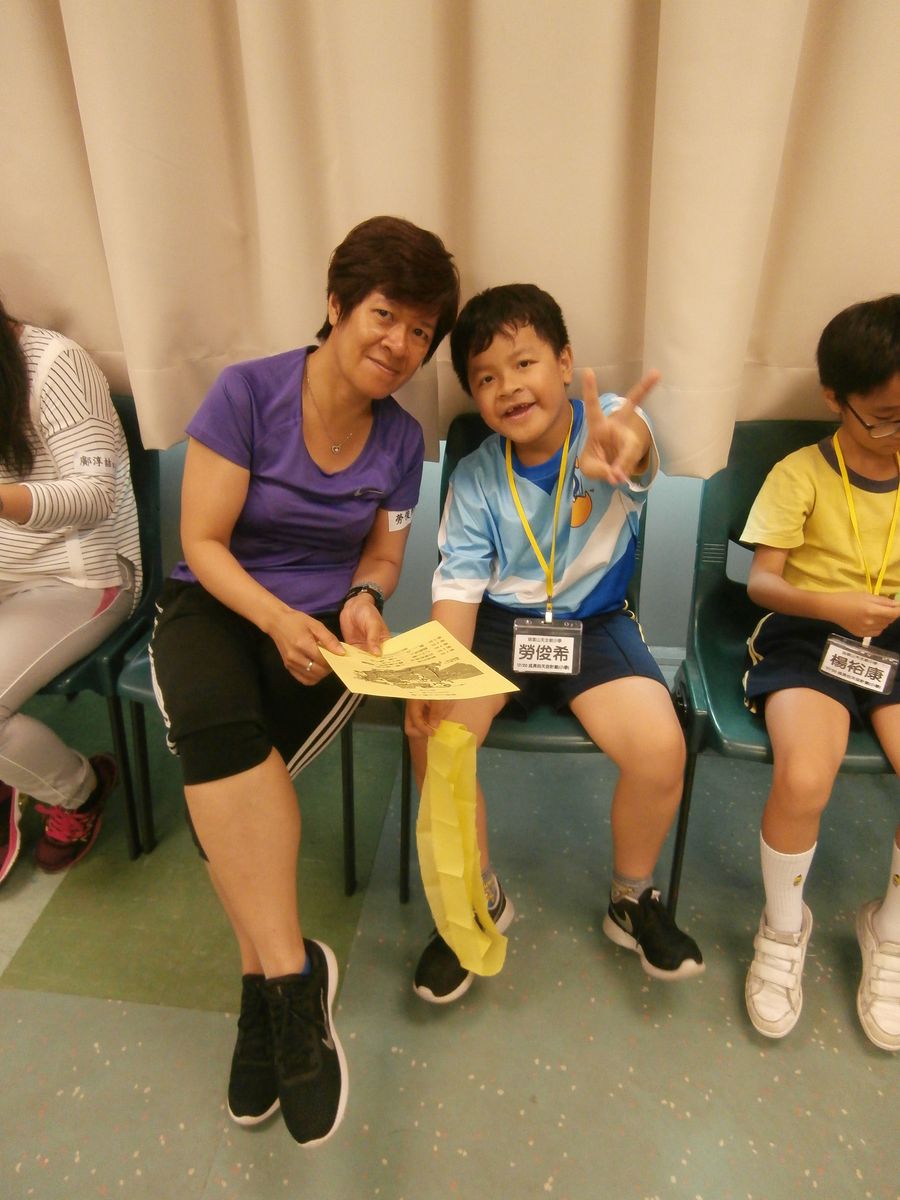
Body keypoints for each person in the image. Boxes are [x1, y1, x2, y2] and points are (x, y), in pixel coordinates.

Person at [150, 216, 459, 1145]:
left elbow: (384, 554)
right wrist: (276, 616)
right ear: (336, 304)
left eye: (420, 331)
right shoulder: (247, 392)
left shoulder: (401, 439)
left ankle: (260, 997)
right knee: (220, 743)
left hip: (327, 634)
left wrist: (364, 598)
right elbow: (203, 542)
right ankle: (291, 982)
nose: (400, 344)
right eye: (385, 314)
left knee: (229, 795)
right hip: (219, 605)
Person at [404, 283, 704, 1007]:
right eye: (485, 377)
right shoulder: (476, 477)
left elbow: (634, 450)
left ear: (565, 364)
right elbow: (458, 593)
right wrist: (438, 679)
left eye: (524, 363)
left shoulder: (609, 425)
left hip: (595, 625)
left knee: (661, 747)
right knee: (436, 737)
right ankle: (476, 898)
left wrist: (624, 448)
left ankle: (631, 897)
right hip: (499, 627)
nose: (507, 387)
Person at [741, 294, 900, 1052]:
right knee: (806, 777)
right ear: (836, 398)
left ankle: (889, 931)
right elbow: (761, 584)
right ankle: (782, 926)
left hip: (893, 638)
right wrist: (830, 603)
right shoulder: (801, 472)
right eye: (887, 417)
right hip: (811, 634)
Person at [0, 297, 139, 886]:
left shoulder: (55, 364)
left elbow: (93, 495)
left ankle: (80, 789)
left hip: (78, 575)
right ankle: (13, 775)